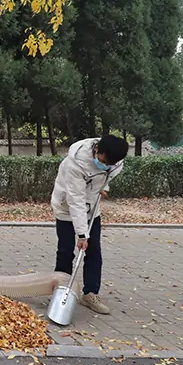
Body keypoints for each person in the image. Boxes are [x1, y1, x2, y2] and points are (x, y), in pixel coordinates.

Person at [50, 135, 129, 315]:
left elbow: (107, 176)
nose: (105, 165)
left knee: (94, 251)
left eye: (109, 164)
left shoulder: (115, 160)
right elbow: (75, 199)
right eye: (102, 161)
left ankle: (90, 293)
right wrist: (81, 234)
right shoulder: (76, 163)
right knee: (65, 250)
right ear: (97, 150)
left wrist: (104, 188)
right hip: (67, 206)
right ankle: (61, 289)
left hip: (92, 208)